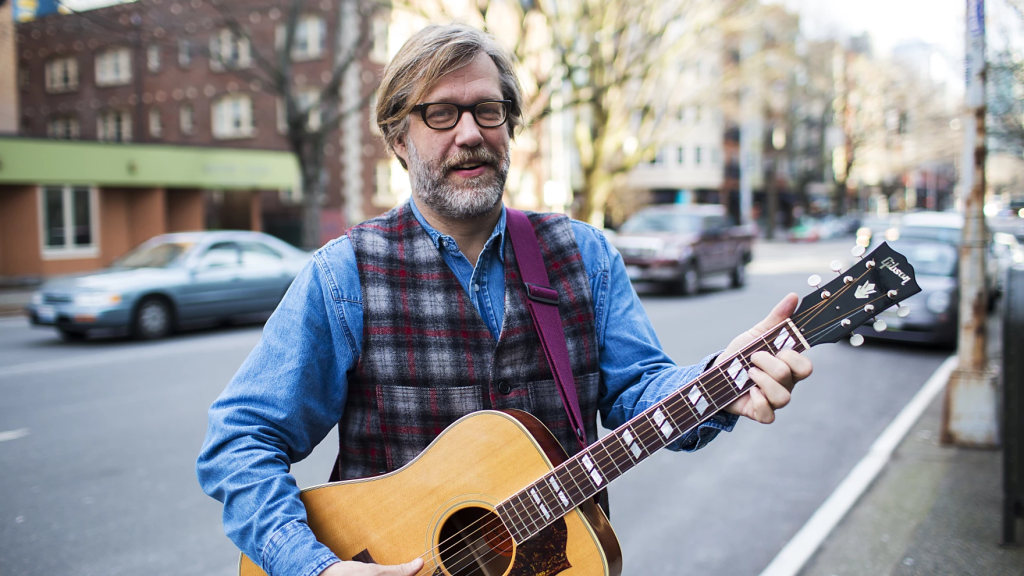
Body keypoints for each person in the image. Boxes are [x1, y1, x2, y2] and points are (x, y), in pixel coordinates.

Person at [197, 23, 813, 576]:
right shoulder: (345, 276)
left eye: (487, 111)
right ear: (399, 139)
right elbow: (239, 439)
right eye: (440, 114)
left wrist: (722, 380)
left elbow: (638, 392)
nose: (470, 133)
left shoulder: (584, 255)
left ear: (510, 127)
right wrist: (314, 568)